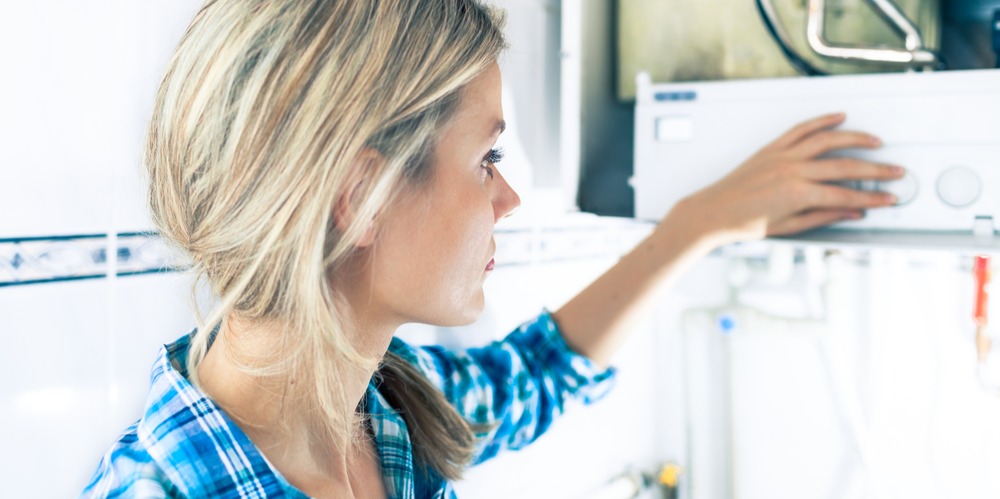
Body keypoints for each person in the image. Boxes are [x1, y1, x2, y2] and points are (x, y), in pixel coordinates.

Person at [83, 1, 903, 497]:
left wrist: (699, 223)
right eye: (487, 158)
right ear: (359, 195)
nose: (506, 198)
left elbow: (541, 371)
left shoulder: (387, 408)